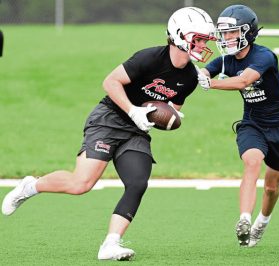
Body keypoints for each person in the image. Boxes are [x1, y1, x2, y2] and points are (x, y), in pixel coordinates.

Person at [2, 7, 216, 260]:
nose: (203, 45)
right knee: (81, 184)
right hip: (109, 118)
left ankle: (111, 244)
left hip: (136, 131)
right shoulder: (149, 58)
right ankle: (31, 186)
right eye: (199, 38)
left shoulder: (190, 78)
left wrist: (167, 118)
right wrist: (133, 109)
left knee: (137, 182)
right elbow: (110, 82)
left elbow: (170, 112)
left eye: (205, 40)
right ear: (179, 35)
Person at [197, 4, 279, 247]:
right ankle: (244, 219)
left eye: (232, 32)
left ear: (248, 32)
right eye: (224, 33)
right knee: (251, 162)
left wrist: (210, 84)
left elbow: (243, 81)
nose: (226, 38)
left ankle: (261, 222)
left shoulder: (264, 56)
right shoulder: (225, 61)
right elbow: (205, 72)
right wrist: (200, 73)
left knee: (272, 187)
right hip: (252, 124)